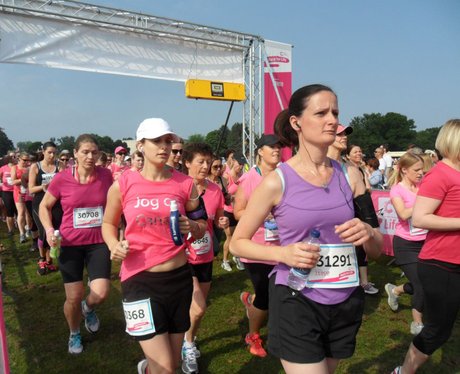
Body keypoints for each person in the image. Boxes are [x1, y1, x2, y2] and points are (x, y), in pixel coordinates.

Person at [230, 84, 382, 374]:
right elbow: (238, 243)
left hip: (344, 299)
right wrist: (284, 254)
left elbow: (376, 250)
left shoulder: (350, 175)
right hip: (297, 298)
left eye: (335, 112)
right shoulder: (277, 181)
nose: (332, 120)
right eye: (321, 112)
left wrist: (369, 232)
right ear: (296, 122)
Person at [101, 118, 207, 374]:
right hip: (139, 281)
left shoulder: (185, 184)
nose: (164, 147)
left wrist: (193, 228)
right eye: (156, 141)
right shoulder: (123, 184)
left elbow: (203, 223)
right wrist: (114, 244)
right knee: (167, 369)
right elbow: (107, 223)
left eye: (167, 141)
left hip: (179, 280)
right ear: (141, 145)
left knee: (171, 362)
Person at [392, 119, 460, 374]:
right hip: (441, 263)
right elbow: (420, 217)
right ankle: (403, 371)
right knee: (438, 331)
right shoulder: (440, 174)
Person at [39, 134, 113, 354]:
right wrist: (50, 230)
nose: (90, 156)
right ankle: (74, 333)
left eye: (94, 152)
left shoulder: (106, 176)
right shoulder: (62, 179)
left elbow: (117, 202)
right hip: (70, 244)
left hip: (98, 242)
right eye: (85, 152)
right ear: (75, 153)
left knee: (100, 292)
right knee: (73, 296)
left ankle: (88, 308)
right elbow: (44, 206)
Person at [181, 142, 229, 373]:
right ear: (187, 163)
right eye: (200, 161)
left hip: (206, 255)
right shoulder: (178, 188)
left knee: (198, 309)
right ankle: (187, 344)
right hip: (183, 257)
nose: (205, 166)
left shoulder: (214, 190)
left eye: (208, 162)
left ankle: (189, 338)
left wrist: (222, 222)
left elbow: (218, 219)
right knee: (198, 308)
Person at [233, 134, 282, 358]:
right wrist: (262, 215)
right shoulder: (249, 178)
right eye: (271, 147)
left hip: (281, 246)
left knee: (280, 293)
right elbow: (238, 211)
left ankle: (251, 301)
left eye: (278, 146)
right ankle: (252, 334)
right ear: (260, 151)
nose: (276, 150)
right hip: (255, 247)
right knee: (265, 296)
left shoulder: (285, 175)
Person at [327, 125, 379, 295]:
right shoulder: (307, 168)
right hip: (316, 243)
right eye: (339, 134)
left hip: (344, 245)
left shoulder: (351, 170)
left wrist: (371, 232)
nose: (344, 137)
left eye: (345, 134)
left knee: (343, 298)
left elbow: (368, 215)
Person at [385, 152, 426, 336]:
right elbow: (403, 214)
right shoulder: (397, 190)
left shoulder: (423, 186)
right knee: (420, 285)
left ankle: (395, 290)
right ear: (404, 170)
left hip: (426, 242)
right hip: (406, 245)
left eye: (422, 170)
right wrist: (425, 204)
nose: (420, 173)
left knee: (429, 283)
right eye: (417, 170)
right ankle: (418, 324)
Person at [29, 142, 62, 274]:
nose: (52, 155)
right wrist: (43, 187)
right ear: (43, 152)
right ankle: (42, 259)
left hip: (56, 203)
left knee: (54, 232)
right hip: (39, 203)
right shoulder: (35, 167)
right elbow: (31, 188)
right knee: (43, 231)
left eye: (54, 152)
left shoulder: (59, 165)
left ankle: (50, 260)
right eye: (49, 152)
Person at [221, 153, 245, 272]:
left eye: (242, 164)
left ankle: (237, 257)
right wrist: (232, 197)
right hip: (228, 211)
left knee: (238, 236)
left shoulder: (242, 175)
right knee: (229, 237)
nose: (240, 167)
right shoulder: (226, 177)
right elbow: (223, 195)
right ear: (233, 162)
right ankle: (225, 261)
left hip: (239, 211)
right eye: (238, 164)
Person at [207, 156, 231, 256]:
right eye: (215, 167)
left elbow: (227, 202)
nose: (218, 169)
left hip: (219, 216)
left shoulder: (223, 180)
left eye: (220, 166)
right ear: (209, 167)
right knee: (214, 247)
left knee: (214, 249)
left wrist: (227, 197)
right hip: (207, 217)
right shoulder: (204, 180)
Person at [11, 152, 32, 244]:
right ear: (19, 159)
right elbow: (14, 181)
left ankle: (28, 229)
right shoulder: (14, 168)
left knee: (29, 213)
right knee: (21, 213)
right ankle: (22, 233)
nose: (26, 162)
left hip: (28, 192)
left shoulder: (30, 168)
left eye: (28, 160)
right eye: (24, 160)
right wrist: (24, 179)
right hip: (18, 192)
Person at [0, 155, 18, 236]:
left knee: (18, 211)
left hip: (17, 191)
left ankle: (21, 228)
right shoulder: (3, 168)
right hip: (6, 192)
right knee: (9, 211)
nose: (14, 158)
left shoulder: (17, 167)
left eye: (15, 157)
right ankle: (10, 230)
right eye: (13, 157)